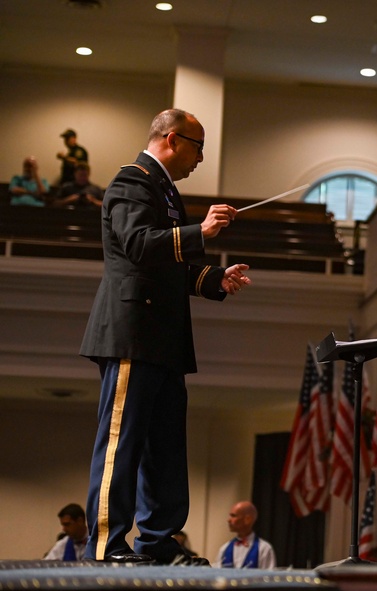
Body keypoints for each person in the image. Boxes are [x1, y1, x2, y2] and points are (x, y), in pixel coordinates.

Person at [80, 109, 252, 565]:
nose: (200, 158)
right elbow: (137, 245)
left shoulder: (165, 191)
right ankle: (104, 545)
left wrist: (214, 279)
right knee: (123, 441)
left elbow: (166, 262)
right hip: (132, 334)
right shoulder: (132, 182)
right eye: (198, 146)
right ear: (173, 140)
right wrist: (202, 232)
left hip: (162, 338)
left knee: (166, 447)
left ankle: (158, 542)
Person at [215, 501, 276, 569]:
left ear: (248, 519)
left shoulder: (264, 549)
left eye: (233, 516)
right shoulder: (224, 548)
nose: (229, 520)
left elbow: (268, 577)